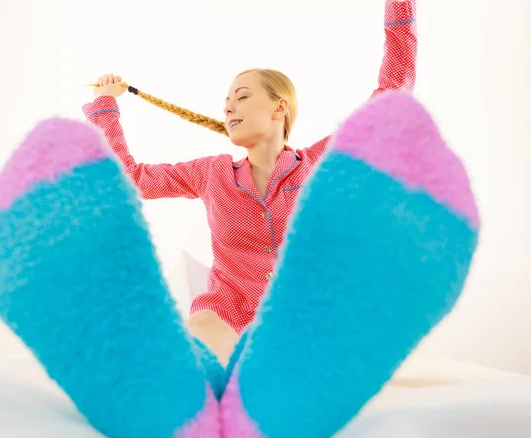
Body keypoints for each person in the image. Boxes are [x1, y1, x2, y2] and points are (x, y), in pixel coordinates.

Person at [82, 0, 417, 365]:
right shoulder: (211, 173)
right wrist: (104, 106)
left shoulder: (320, 164)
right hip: (225, 316)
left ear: (279, 107)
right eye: (227, 102)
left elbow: (392, 95)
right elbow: (131, 180)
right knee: (198, 343)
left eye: (242, 97)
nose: (228, 108)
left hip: (305, 318)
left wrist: (399, 7)